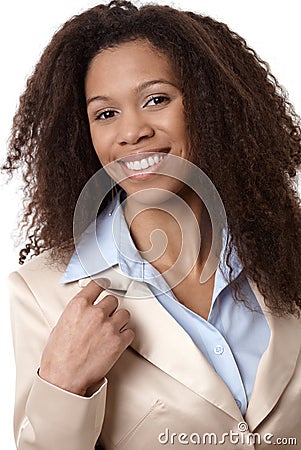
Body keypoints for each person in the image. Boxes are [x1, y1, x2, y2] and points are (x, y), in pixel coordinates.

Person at [3, 1, 301, 449]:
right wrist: (63, 384)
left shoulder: (289, 253)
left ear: (211, 105)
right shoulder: (41, 293)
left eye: (156, 99)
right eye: (106, 114)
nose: (132, 132)